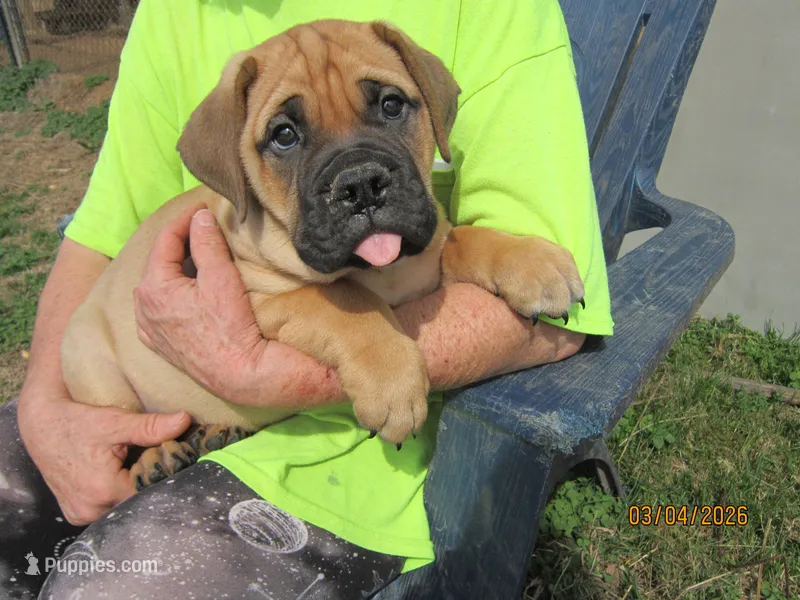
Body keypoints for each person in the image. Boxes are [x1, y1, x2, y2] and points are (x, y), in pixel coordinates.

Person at [0, 0, 614, 598]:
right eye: (286, 135)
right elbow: (101, 251)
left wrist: (492, 256)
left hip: (364, 478)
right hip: (132, 389)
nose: (358, 176)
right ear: (235, 165)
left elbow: (464, 267)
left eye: (389, 107)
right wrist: (45, 410)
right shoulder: (177, 16)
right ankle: (157, 446)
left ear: (432, 106)